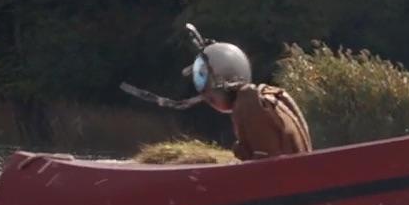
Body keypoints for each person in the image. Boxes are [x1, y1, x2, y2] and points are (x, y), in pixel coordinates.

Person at [123, 24, 313, 160]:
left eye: (203, 78)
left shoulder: (249, 104)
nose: (204, 92)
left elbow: (265, 169)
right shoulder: (268, 96)